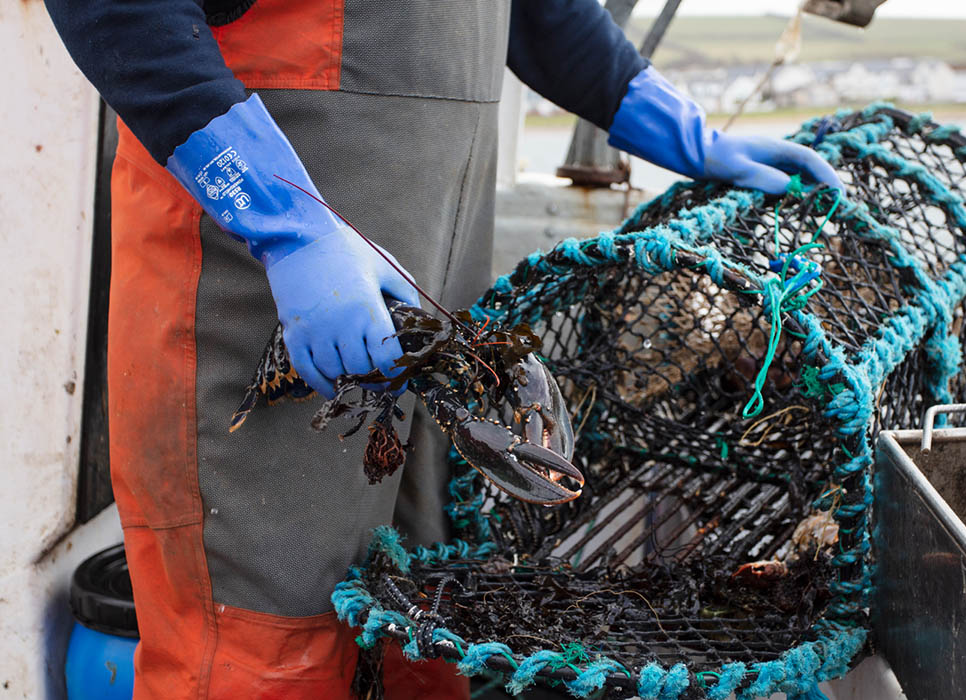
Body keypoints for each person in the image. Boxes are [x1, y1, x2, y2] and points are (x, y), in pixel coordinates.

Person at [44, 1, 843, 697]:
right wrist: (278, 218)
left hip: (439, 268)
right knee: (265, 645)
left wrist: (670, 124)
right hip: (257, 265)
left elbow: (540, 12)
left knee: (427, 611)